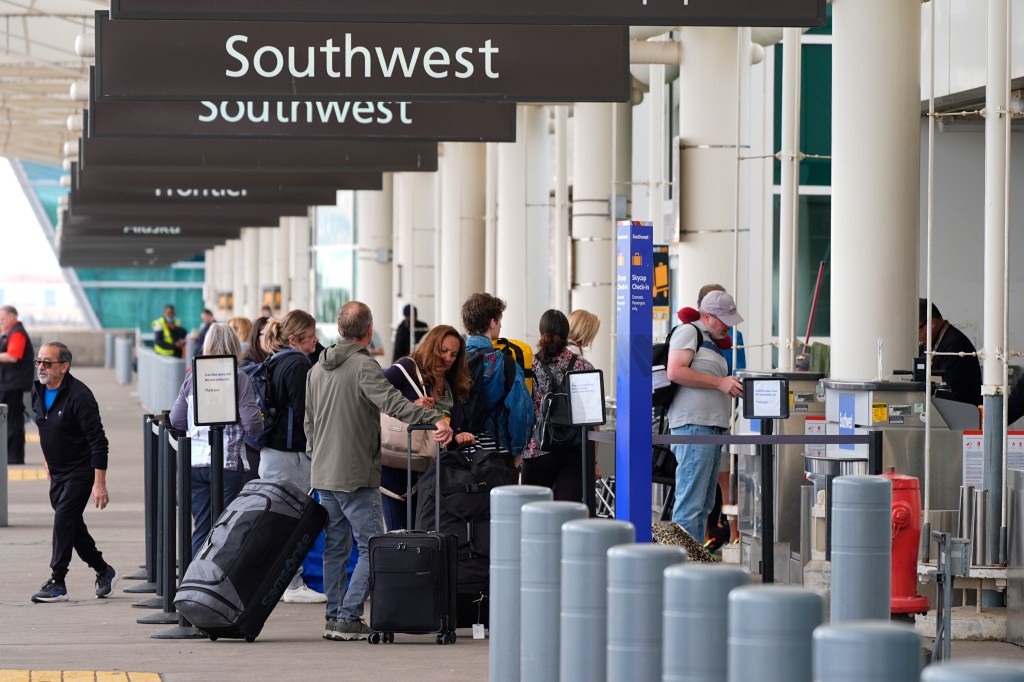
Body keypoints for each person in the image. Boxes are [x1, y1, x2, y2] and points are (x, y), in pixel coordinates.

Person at [305, 301, 451, 641]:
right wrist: (434, 418)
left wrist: (318, 456)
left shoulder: (315, 370)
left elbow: (308, 424)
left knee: (336, 548)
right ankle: (349, 617)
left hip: (324, 473)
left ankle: (333, 617)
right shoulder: (363, 366)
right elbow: (393, 404)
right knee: (374, 546)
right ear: (369, 332)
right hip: (356, 474)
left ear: (339, 330)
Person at [29, 342, 118, 603]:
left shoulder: (80, 396)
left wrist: (99, 483)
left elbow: (99, 441)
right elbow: (44, 429)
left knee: (63, 520)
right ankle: (104, 570)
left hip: (81, 470)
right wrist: (47, 460)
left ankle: (58, 582)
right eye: (39, 362)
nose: (41, 367)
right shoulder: (39, 391)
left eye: (48, 362)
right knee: (72, 526)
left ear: (64, 366)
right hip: (57, 473)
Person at [170, 323, 263, 556]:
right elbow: (252, 425)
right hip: (228, 464)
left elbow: (177, 420)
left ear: (207, 345)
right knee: (225, 529)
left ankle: (192, 585)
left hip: (194, 464)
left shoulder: (192, 377)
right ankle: (215, 585)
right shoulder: (239, 378)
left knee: (202, 528)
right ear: (234, 346)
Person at [665, 289, 744, 542]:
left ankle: (692, 564)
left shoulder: (710, 341)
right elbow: (675, 371)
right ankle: (683, 568)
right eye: (724, 320)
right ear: (707, 316)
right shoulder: (690, 332)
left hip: (708, 429)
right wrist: (720, 383)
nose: (728, 327)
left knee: (702, 505)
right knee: (691, 505)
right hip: (694, 428)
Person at [381, 324, 474, 529]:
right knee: (400, 536)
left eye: (453, 354)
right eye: (443, 351)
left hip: (430, 474)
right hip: (396, 470)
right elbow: (372, 398)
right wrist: (409, 406)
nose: (448, 358)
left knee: (421, 536)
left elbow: (452, 425)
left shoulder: (451, 382)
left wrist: (457, 436)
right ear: (432, 345)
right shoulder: (406, 369)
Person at [260, 310, 324, 604]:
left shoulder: (275, 360)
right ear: (297, 338)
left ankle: (280, 581)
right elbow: (305, 413)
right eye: (312, 337)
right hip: (292, 455)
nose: (316, 342)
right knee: (292, 520)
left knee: (277, 518)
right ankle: (293, 583)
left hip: (273, 452)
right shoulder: (298, 363)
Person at [521, 310, 596, 504]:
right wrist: (593, 460)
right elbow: (593, 417)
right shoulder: (584, 366)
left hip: (536, 449)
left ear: (540, 332)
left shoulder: (528, 366)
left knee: (533, 517)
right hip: (573, 452)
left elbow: (522, 411)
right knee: (568, 517)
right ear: (566, 333)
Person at [460, 292, 534, 459]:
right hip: (495, 452)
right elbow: (521, 410)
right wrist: (517, 451)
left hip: (459, 449)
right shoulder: (504, 363)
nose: (500, 326)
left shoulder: (455, 360)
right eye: (499, 321)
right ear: (492, 322)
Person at [919, 300, 982, 407]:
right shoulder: (927, 344)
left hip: (962, 416)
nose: (916, 335)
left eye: (918, 329)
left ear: (931, 323)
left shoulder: (956, 345)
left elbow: (950, 394)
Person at [0, 305, 34, 465]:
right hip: (9, 383)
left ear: (13, 316)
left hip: (13, 384)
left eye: (3, 318)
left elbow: (13, 356)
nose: (1, 321)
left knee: (11, 419)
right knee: (11, 418)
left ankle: (13, 456)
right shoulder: (9, 333)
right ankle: (11, 455)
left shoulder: (17, 333)